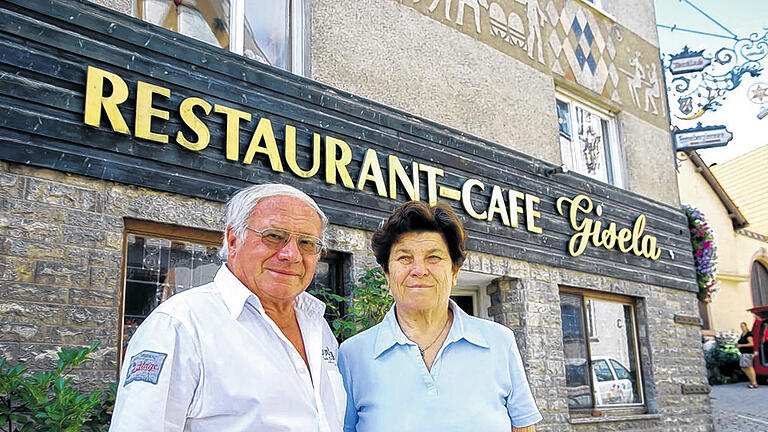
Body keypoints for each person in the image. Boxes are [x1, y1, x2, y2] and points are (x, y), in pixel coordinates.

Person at [110, 184, 346, 431]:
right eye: (274, 236)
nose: (291, 254)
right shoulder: (180, 325)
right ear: (234, 240)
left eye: (307, 242)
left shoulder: (317, 325)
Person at [337, 201, 542, 432]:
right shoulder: (352, 355)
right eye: (404, 258)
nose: (419, 270)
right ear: (386, 273)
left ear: (454, 272)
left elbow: (523, 427)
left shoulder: (498, 342)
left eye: (433, 257)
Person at [736, 321, 758, 389]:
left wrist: (741, 345)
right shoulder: (742, 334)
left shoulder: (748, 334)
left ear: (746, 326)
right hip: (743, 353)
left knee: (749, 367)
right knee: (743, 367)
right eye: (741, 326)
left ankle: (754, 383)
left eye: (743, 326)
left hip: (748, 353)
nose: (742, 327)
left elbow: (751, 344)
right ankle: (752, 381)